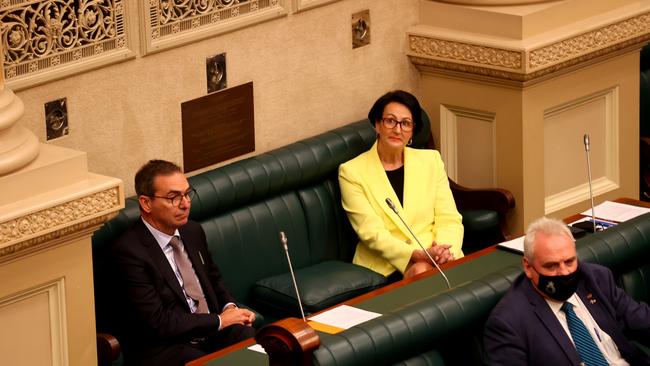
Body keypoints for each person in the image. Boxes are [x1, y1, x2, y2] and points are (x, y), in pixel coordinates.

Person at [108, 160, 256, 366]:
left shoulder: (192, 231)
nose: (185, 204)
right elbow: (158, 322)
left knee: (256, 343)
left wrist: (229, 307)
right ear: (146, 203)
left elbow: (214, 279)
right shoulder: (129, 253)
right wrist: (221, 320)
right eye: (173, 197)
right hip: (167, 346)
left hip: (211, 331)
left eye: (187, 194)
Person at [483, 217, 650, 365]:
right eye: (552, 265)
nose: (564, 272)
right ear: (528, 267)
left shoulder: (595, 278)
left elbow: (642, 320)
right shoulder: (508, 321)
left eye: (569, 262)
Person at [338, 90, 463, 280]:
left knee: (426, 271)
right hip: (387, 264)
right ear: (377, 125)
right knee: (422, 272)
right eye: (390, 121)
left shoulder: (431, 161)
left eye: (405, 124)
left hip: (437, 256)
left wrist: (443, 251)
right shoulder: (351, 172)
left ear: (412, 130)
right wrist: (414, 254)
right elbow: (372, 233)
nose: (398, 130)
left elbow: (449, 217)